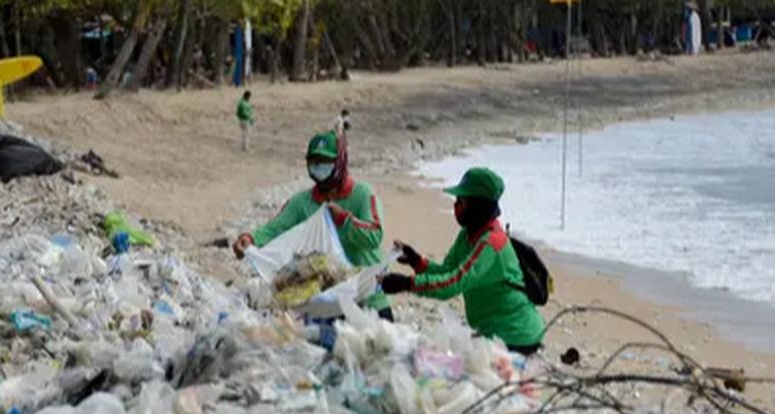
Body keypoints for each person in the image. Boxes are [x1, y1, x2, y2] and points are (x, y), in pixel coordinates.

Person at [380, 167, 545, 354]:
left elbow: (454, 283)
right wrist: (418, 262)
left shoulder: (491, 244)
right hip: (493, 332)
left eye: (462, 201)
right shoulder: (467, 235)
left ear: (479, 206)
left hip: (516, 335)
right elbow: (448, 271)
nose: (456, 206)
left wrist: (407, 284)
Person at [233, 131, 391, 320]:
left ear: (340, 162)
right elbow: (276, 228)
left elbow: (375, 236)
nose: (318, 167)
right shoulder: (302, 202)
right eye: (314, 161)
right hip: (329, 303)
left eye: (325, 161)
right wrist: (250, 240)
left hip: (369, 298)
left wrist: (345, 220)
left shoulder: (362, 194)